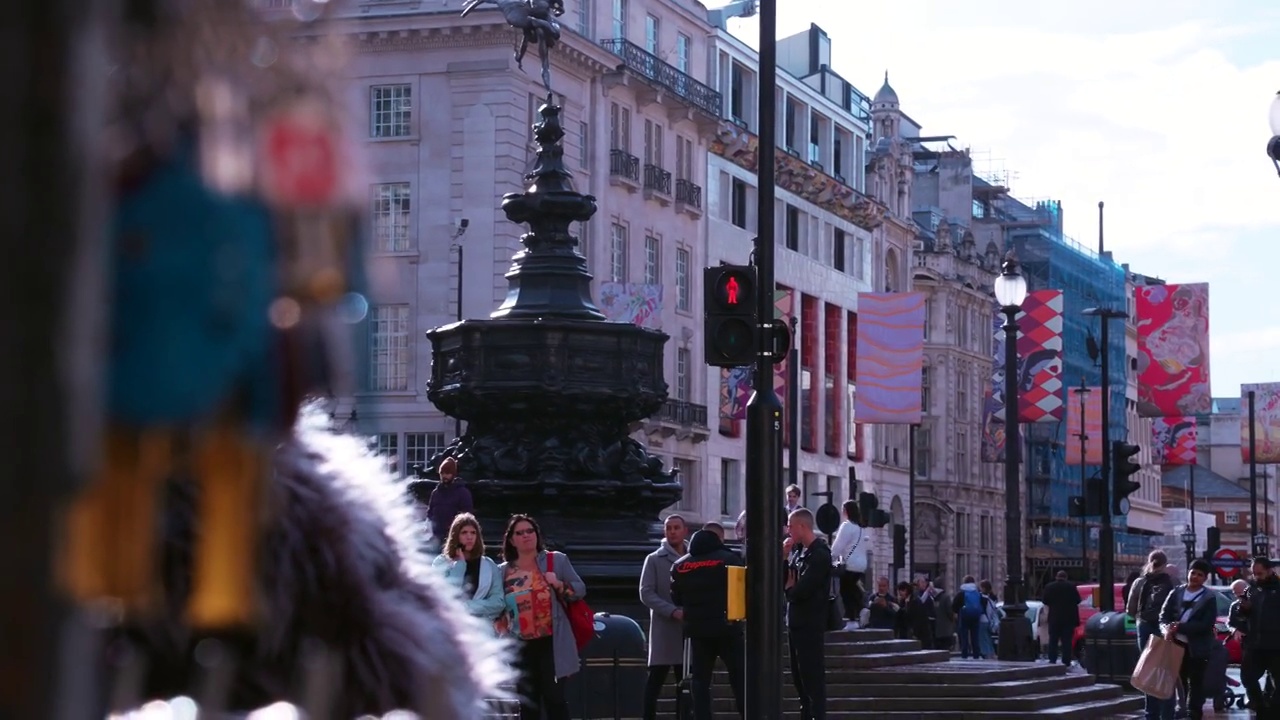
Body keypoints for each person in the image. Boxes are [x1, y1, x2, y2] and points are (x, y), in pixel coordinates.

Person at [498, 514, 586, 720]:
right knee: (528, 703)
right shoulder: (503, 571)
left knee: (554, 698)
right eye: (519, 533)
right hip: (520, 645)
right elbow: (497, 605)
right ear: (511, 540)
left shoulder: (557, 560)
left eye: (530, 531)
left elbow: (580, 590)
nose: (526, 536)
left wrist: (557, 584)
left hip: (551, 641)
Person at [670, 528, 746, 720]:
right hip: (727, 626)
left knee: (700, 680)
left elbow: (676, 597)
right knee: (739, 677)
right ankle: (747, 712)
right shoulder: (730, 559)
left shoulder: (680, 566)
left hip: (697, 629)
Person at [639, 514, 688, 720]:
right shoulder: (653, 559)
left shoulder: (693, 558)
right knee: (655, 683)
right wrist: (672, 610)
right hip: (664, 630)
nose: (673, 532)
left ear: (685, 531)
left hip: (687, 631)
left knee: (685, 684)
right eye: (669, 528)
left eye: (677, 528)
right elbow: (646, 592)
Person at [785, 508, 830, 720]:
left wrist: (790, 589)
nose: (788, 530)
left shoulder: (819, 554)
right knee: (799, 680)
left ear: (802, 526)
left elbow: (801, 590)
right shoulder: (797, 553)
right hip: (795, 622)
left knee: (812, 679)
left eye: (791, 525)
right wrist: (784, 558)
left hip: (810, 624)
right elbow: (787, 583)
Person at [1159, 559, 1217, 720]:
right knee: (1179, 680)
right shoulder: (1176, 592)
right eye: (1193, 573)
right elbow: (1163, 616)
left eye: (1200, 575)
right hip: (1176, 643)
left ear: (1205, 578)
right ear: (1188, 573)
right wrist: (1166, 629)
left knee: (1196, 681)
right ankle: (1180, 709)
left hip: (1198, 647)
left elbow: (1206, 624)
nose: (1195, 577)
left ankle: (1194, 712)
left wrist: (1181, 627)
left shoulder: (1209, 597)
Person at [431, 513, 506, 629]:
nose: (469, 537)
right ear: (456, 536)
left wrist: (467, 607)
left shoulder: (489, 565)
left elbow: (498, 602)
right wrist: (460, 565)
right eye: (464, 533)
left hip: (481, 630)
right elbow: (444, 597)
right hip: (450, 629)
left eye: (473, 533)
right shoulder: (440, 563)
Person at [1127, 550, 1176, 719]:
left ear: (1149, 562)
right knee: (1166, 673)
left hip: (1144, 627)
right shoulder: (1172, 581)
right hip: (1166, 629)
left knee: (1148, 672)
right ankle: (1167, 714)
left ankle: (1151, 715)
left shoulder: (1139, 582)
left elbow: (1130, 610)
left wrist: (1136, 625)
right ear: (1165, 563)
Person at [1238, 556, 1280, 712]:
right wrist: (1244, 609)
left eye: (1260, 573)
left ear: (1270, 571)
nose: (1256, 577)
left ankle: (1273, 709)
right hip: (1255, 643)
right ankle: (1260, 704)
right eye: (1254, 573)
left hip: (1276, 644)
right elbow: (1240, 616)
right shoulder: (1251, 589)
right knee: (1247, 677)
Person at [829, 500, 869, 630]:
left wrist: (830, 558)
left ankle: (853, 619)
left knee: (846, 591)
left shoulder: (846, 526)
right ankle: (862, 608)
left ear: (846, 511)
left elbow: (838, 546)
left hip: (850, 563)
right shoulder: (861, 528)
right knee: (853, 589)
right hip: (861, 565)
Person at [425, 456, 474, 545]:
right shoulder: (436, 493)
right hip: (436, 537)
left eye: (447, 473)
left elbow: (467, 515)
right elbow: (430, 512)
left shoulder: (463, 493)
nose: (444, 476)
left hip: (454, 538)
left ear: (453, 474)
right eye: (442, 473)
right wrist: (429, 526)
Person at [1041, 570, 1082, 667]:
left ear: (1056, 577)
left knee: (1053, 640)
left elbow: (1045, 601)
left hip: (1054, 617)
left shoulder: (1049, 587)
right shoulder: (1071, 587)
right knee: (1067, 641)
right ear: (1066, 577)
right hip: (1068, 618)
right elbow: (1078, 600)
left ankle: (1052, 659)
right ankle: (1066, 661)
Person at [952, 575, 989, 659]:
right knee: (975, 636)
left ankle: (964, 654)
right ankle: (976, 654)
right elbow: (983, 604)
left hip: (964, 616)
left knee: (964, 636)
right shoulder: (977, 593)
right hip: (976, 616)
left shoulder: (962, 593)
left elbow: (954, 606)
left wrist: (959, 611)